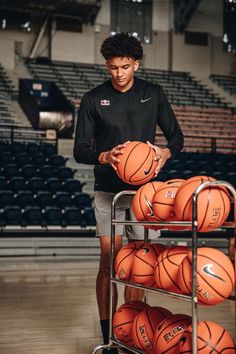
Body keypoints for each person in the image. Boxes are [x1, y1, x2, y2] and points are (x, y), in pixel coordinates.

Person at [73, 32, 184, 353]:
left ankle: (130, 330)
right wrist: (106, 156)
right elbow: (80, 150)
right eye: (112, 68)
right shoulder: (94, 99)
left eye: (124, 67)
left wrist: (164, 154)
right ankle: (108, 336)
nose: (119, 74)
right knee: (109, 259)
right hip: (108, 190)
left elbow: (176, 137)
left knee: (140, 262)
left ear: (136, 63)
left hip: (144, 194)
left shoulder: (154, 93)